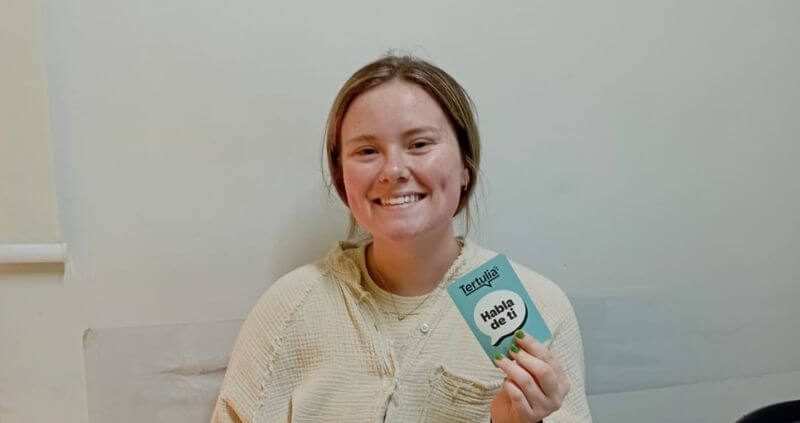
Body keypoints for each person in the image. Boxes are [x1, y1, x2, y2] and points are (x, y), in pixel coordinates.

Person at [211, 55, 592, 422]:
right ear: (342, 177)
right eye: (366, 150)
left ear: (465, 166)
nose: (393, 170)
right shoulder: (287, 309)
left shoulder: (540, 306)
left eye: (420, 144)